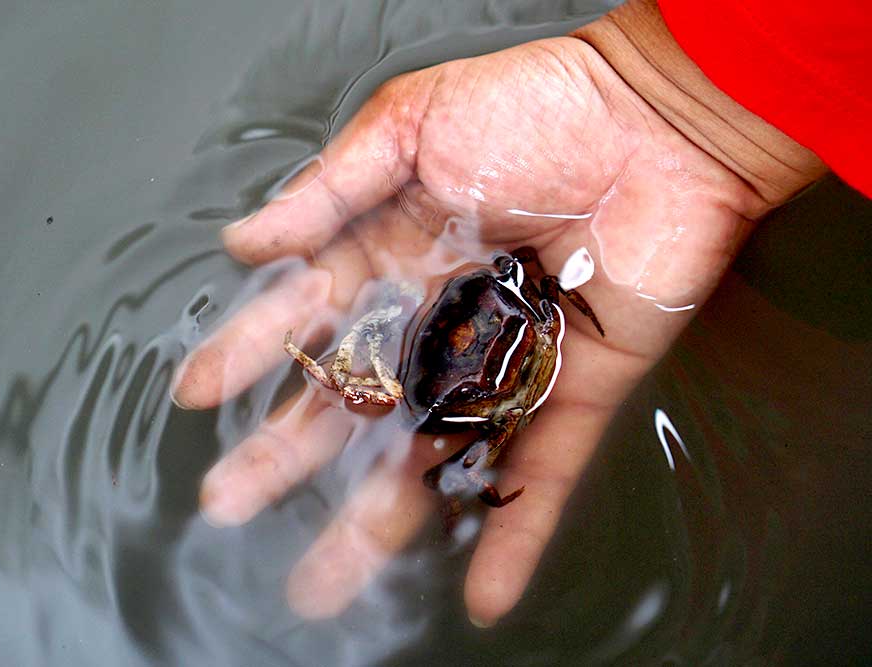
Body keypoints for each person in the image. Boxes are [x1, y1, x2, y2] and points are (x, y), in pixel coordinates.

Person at [170, 0, 870, 628]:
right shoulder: (526, 305)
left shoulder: (512, 310)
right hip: (464, 395)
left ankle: (439, 475)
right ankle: (446, 480)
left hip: (450, 389)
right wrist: (685, 85)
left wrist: (685, 84)